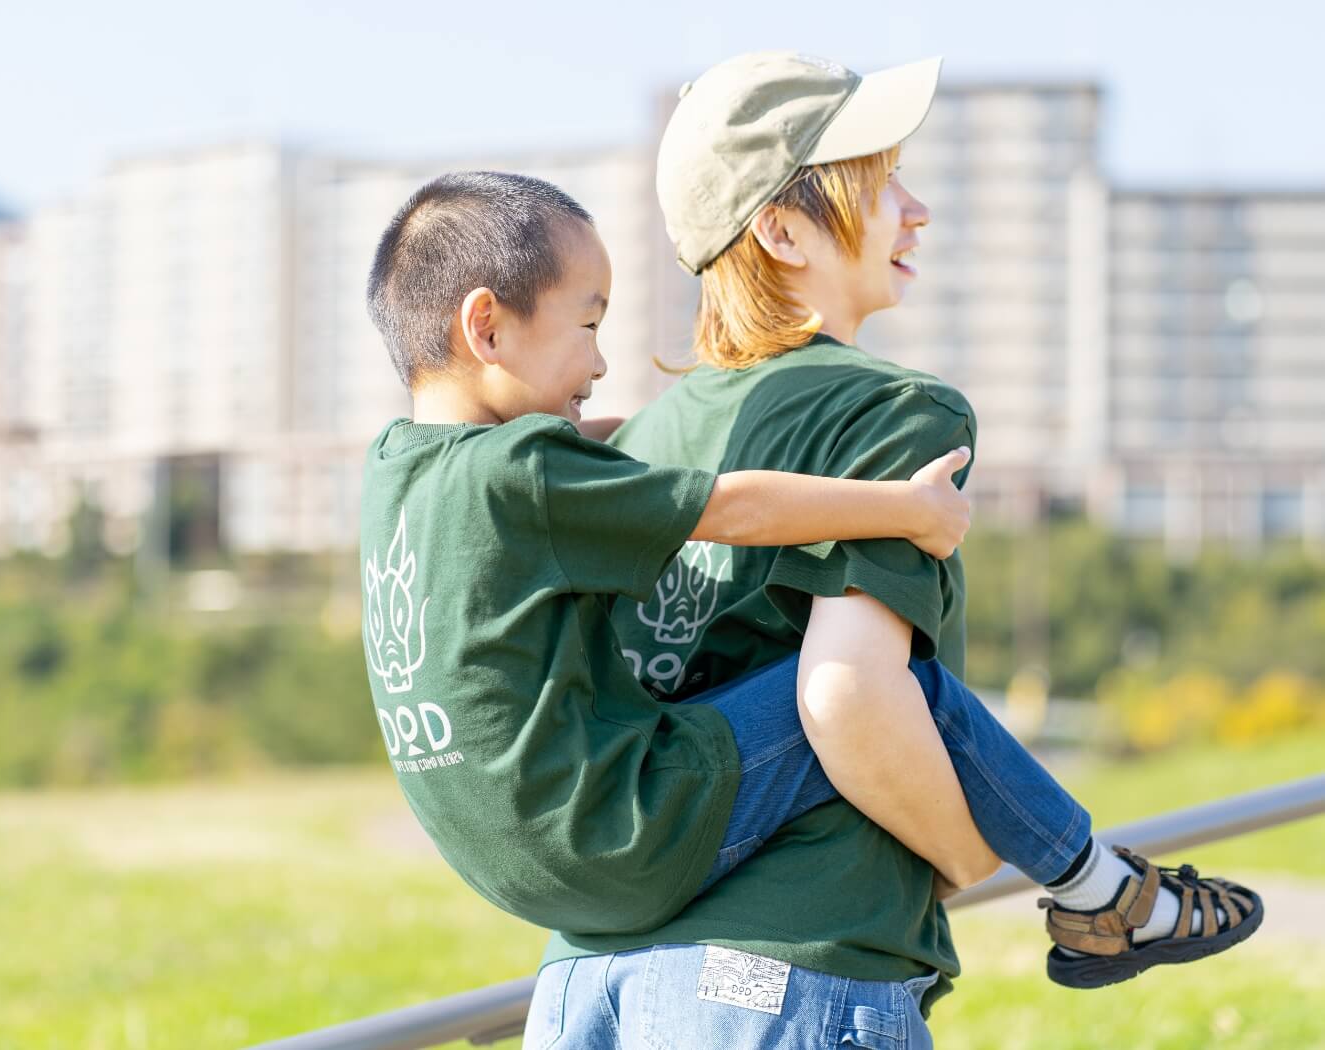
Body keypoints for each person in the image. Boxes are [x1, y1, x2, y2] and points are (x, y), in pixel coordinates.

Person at [528, 52, 1262, 1048]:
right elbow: (848, 696)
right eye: (881, 187)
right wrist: (977, 863)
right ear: (782, 231)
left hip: (590, 982)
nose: (915, 212)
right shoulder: (892, 415)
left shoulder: (640, 445)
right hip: (786, 975)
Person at [357, 169, 977, 936]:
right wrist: (906, 508)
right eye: (587, 327)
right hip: (623, 829)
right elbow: (736, 508)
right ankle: (1074, 868)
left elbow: (577, 460)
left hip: (519, 875)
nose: (601, 363)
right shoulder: (525, 472)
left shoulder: (394, 469)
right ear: (486, 327)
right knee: (889, 686)